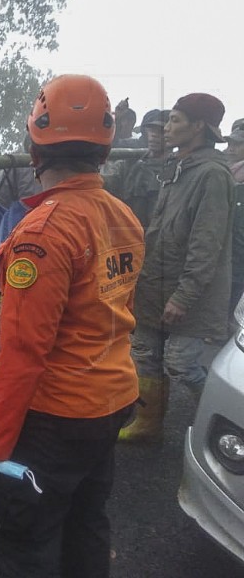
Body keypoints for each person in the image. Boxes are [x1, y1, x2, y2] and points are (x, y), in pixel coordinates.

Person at [0, 75, 143, 577]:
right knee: (86, 521)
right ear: (103, 150)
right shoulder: (122, 216)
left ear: (34, 149)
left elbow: (23, 353)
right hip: (111, 402)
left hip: (56, 420)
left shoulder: (42, 234)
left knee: (25, 535)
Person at [119, 93, 234, 443]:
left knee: (182, 363)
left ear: (199, 127)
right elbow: (159, 228)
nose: (167, 128)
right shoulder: (177, 167)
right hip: (156, 282)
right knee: (146, 354)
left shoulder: (212, 175)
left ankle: (228, 420)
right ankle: (147, 423)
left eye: (176, 121)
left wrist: (184, 296)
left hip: (190, 290)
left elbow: (206, 243)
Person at [102, 109, 170, 229]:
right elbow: (108, 183)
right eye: (151, 130)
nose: (154, 134)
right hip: (132, 233)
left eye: (160, 131)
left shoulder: (178, 169)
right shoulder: (132, 165)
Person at [0, 133, 41, 209]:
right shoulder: (14, 166)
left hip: (22, 215)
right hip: (26, 215)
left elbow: (1, 202)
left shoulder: (13, 166)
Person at [225, 121, 244, 313]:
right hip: (229, 261)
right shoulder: (227, 174)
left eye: (237, 144)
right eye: (230, 143)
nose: (231, 148)